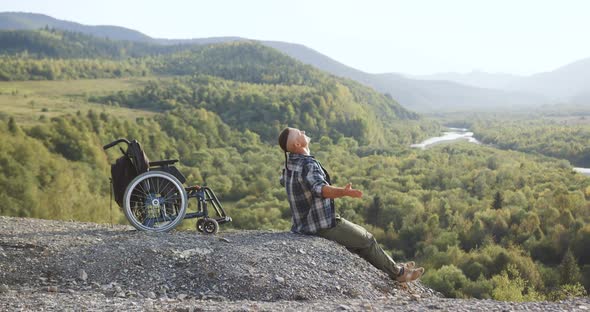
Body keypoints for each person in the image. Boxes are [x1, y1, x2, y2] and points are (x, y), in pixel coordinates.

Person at [278, 127, 424, 283]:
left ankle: (390, 265)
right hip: (321, 225)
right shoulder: (308, 164)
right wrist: (344, 192)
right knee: (367, 239)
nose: (303, 131)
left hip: (302, 225)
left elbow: (285, 182)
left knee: (359, 238)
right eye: (299, 133)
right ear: (298, 145)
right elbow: (320, 189)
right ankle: (400, 274)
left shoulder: (290, 164)